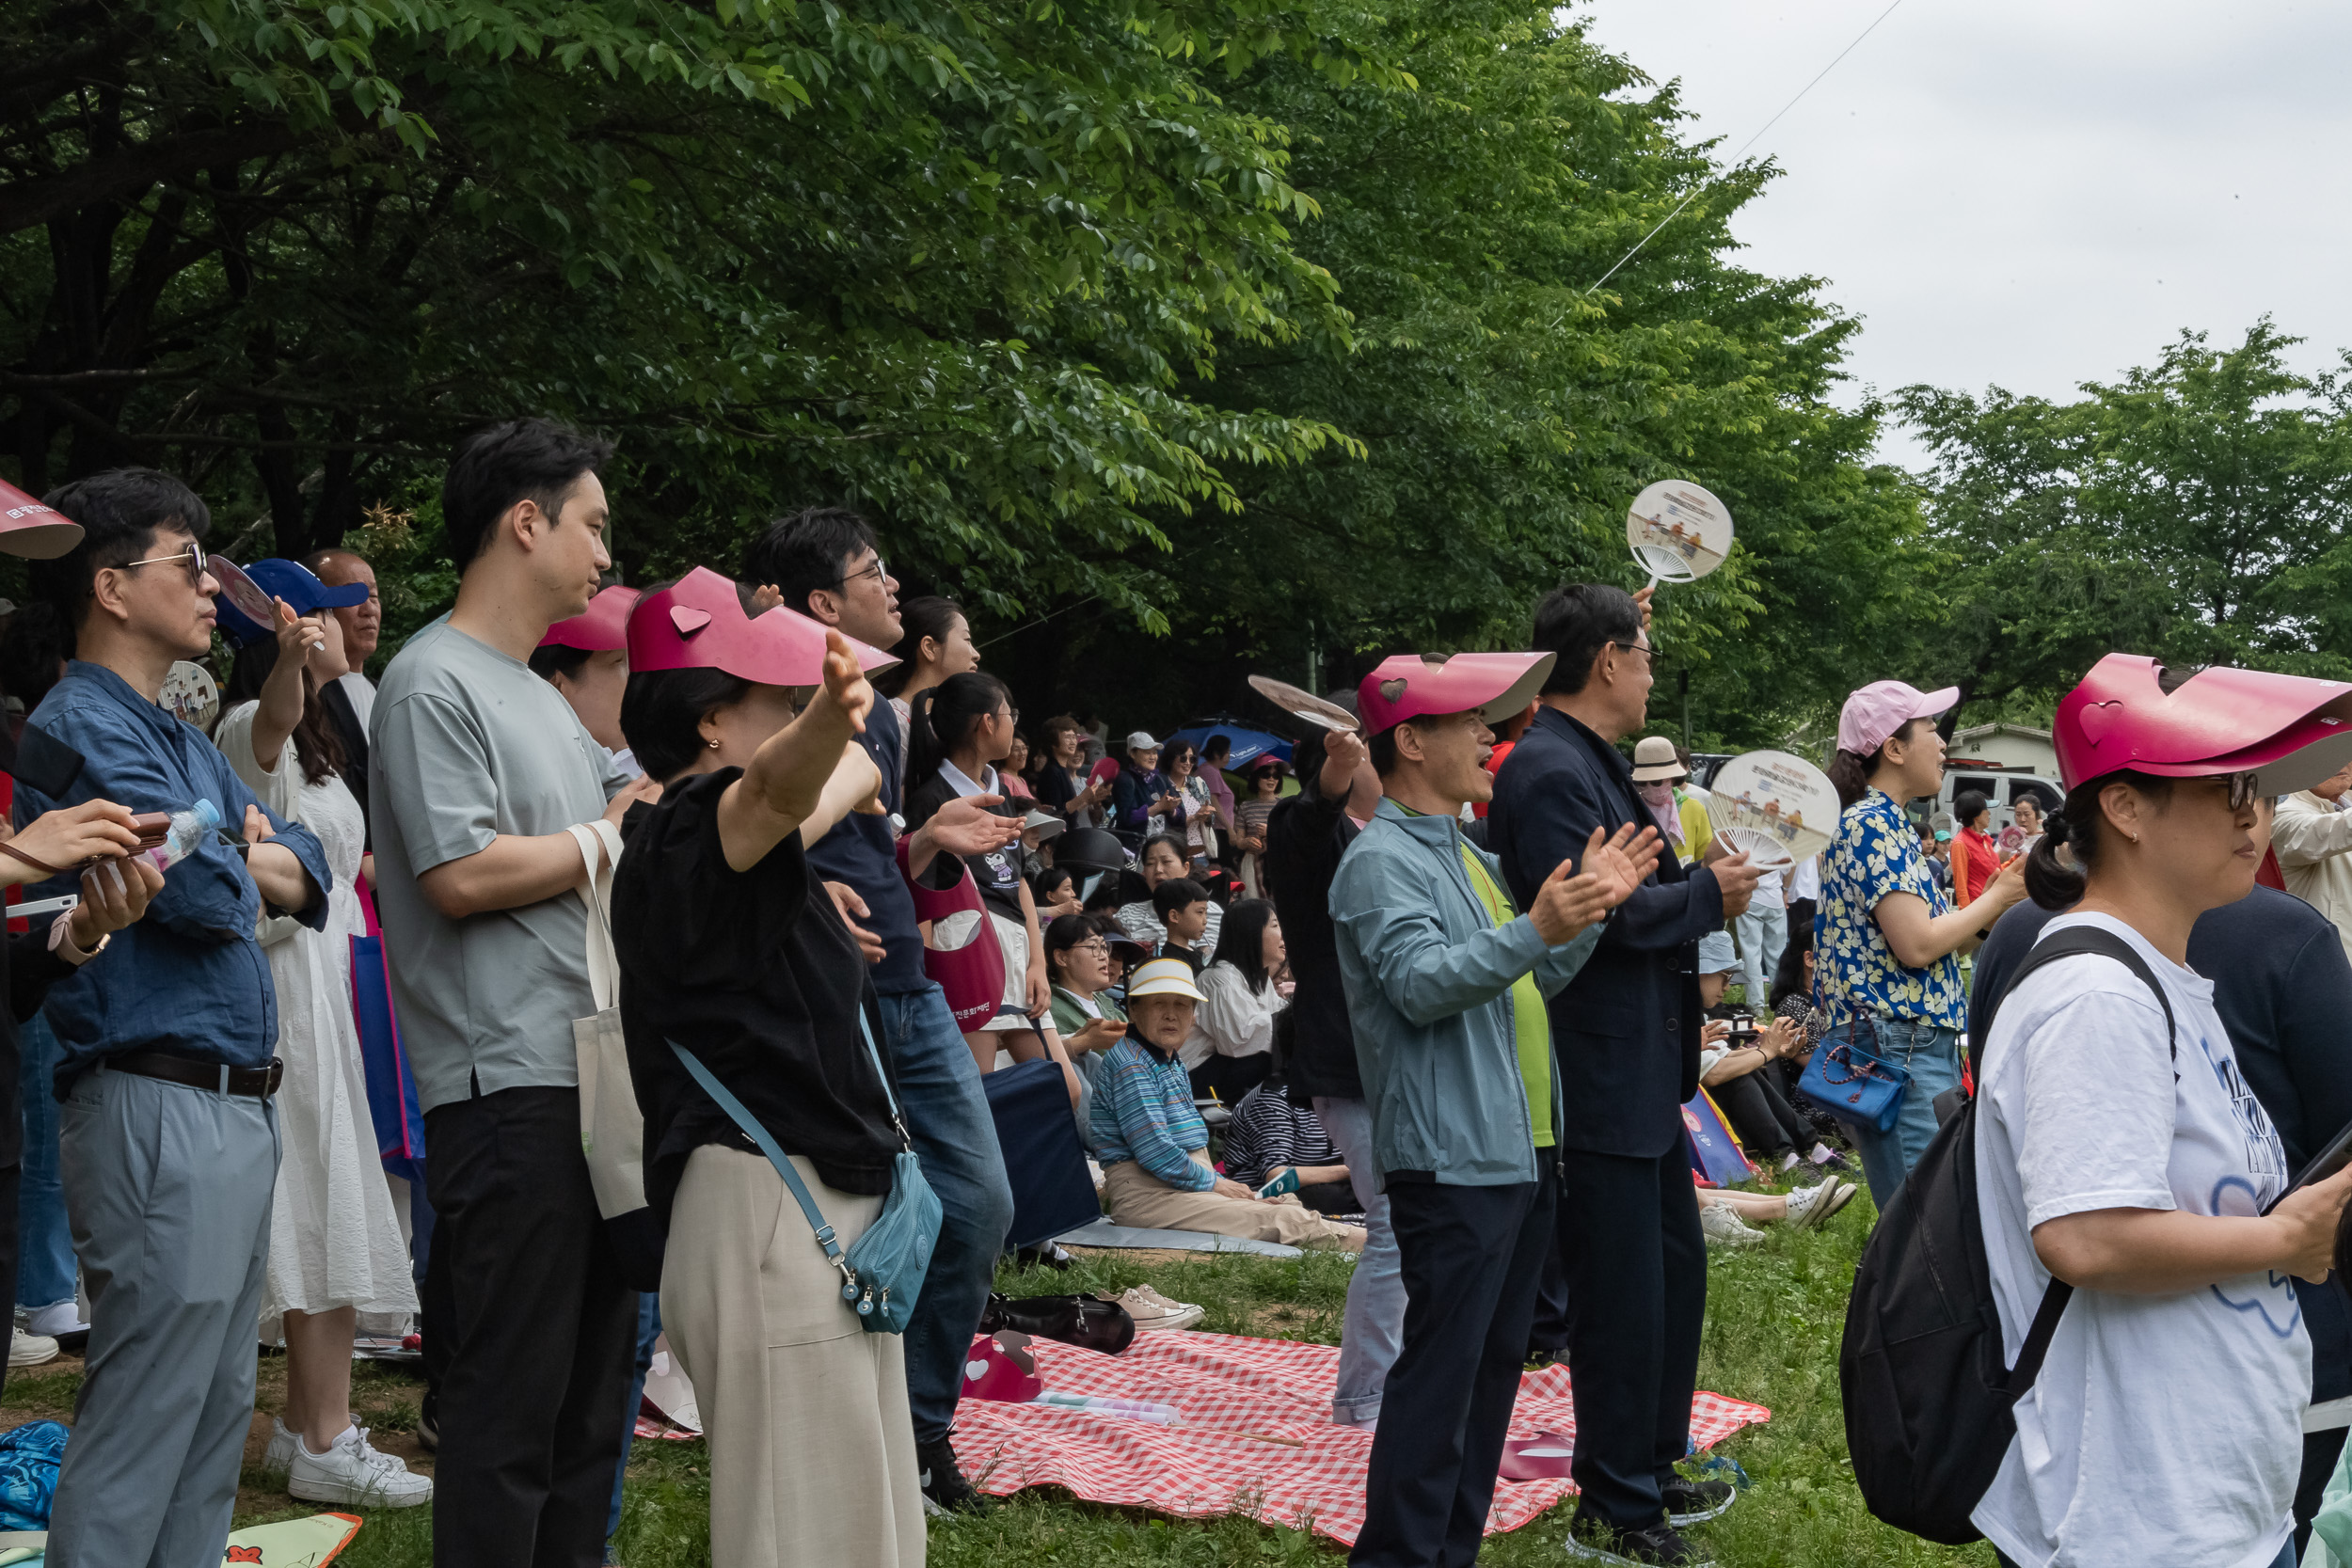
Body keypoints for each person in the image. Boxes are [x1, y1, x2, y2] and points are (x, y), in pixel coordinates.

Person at [1968, 654, 2352, 1568]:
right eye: (2218, 786)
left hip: (2197, 1489)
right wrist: (2280, 1240)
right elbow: (2086, 1236)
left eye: (2253, 787)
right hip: (2135, 1516)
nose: (2250, 812)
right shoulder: (2097, 992)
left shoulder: (2156, 974)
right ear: (2125, 808)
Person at [20, 468, 328, 1568]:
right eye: (189, 563)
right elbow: (195, 891)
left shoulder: (181, 736)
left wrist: (244, 849)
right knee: (149, 1412)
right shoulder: (74, 723)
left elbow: (312, 859)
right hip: (157, 1095)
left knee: (210, 1417)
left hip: (230, 1101)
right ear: (109, 584)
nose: (214, 588)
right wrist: (255, 859)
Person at [368, 420, 657, 1567]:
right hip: (504, 1085)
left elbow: (626, 841)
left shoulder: (542, 694)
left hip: (591, 1075)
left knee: (593, 1401)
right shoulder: (431, 677)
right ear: (522, 521)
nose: (602, 549)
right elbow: (456, 874)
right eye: (589, 521)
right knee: (509, 1405)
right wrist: (603, 834)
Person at [609, 574, 924, 1568]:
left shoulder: (731, 852)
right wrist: (835, 723)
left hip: (807, 1214)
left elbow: (802, 799)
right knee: (802, 1532)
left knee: (857, 1520)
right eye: (776, 702)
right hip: (769, 1211)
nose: (798, 718)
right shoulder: (688, 833)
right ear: (711, 723)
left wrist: (844, 755)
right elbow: (782, 788)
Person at [1329, 647, 1657, 1568]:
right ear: (1412, 740)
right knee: (1439, 1388)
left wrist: (1584, 915)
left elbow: (1530, 972)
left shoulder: (1467, 855)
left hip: (1518, 1154)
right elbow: (1422, 983)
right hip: (1451, 1162)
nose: (1489, 734)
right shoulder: (1380, 861)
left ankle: (1448, 1552)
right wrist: (1536, 925)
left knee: (1484, 1387)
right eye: (1469, 721)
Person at [740, 506, 1025, 1512]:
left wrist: (925, 840)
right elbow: (739, 839)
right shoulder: (768, 696)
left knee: (978, 1201)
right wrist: (803, 902)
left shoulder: (877, 711)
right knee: (850, 1228)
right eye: (874, 573)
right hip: (831, 1003)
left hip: (911, 990)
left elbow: (857, 856)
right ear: (823, 602)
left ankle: (916, 1432)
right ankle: (851, 1447)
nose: (895, 589)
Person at [1486, 586, 1762, 1566]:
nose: (1651, 674)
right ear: (1608, 658)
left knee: (1668, 1279)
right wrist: (1705, 894)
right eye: (1645, 655)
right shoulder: (1548, 768)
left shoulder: (1583, 759)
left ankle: (1649, 1459)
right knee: (1616, 1292)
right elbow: (1592, 916)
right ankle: (1612, 1500)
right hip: (1593, 1066)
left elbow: (1634, 893)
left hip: (1640, 1068)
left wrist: (1692, 887)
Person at [215, 560, 428, 1507]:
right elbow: (263, 728)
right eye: (330, 611)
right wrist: (288, 670)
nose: (355, 620)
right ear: (286, 630)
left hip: (333, 979)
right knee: (319, 1197)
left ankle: (307, 1424)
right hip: (288, 984)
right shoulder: (248, 727)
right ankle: (326, 1433)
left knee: (336, 1188)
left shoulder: (331, 738)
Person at [1817, 682, 2026, 1208]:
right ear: (1893, 748)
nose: (1941, 743)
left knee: (1927, 1210)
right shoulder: (1871, 824)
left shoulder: (1886, 822)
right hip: (1896, 1047)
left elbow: (1930, 943)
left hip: (1903, 1043)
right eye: (1931, 729)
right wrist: (1996, 898)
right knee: (1925, 1217)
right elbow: (1916, 945)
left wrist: (1999, 902)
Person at [1264, 724, 1394, 1428]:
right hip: (1346, 1062)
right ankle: (1365, 1396)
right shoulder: (1303, 828)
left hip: (1399, 1060)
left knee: (1416, 1226)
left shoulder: (1399, 837)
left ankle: (1394, 1380)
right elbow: (1305, 821)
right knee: (1394, 1226)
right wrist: (1332, 777)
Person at [1090, 958, 1363, 1249]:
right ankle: (1381, 1247)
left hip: (1180, 1186)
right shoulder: (1132, 1064)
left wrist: (1217, 1187)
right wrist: (1218, 1185)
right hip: (1151, 1196)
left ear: (1194, 1015)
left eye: (1182, 1005)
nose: (1171, 1015)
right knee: (1283, 1219)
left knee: (1282, 1203)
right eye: (1159, 1004)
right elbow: (1155, 1151)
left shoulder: (1166, 1058)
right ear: (1133, 1010)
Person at [903, 673, 1058, 1075]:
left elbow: (1018, 880)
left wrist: (1037, 963)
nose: (1014, 724)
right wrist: (930, 976)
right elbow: (923, 898)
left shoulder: (1000, 794)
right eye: (1011, 714)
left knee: (1062, 1088)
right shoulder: (932, 801)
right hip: (969, 942)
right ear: (987, 722)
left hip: (1016, 946)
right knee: (979, 1088)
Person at [1691, 932, 1847, 1184]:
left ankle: (1807, 1150)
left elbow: (1723, 1058)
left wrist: (1769, 1049)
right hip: (1693, 1108)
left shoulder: (1696, 1012)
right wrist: (1767, 1051)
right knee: (1738, 1075)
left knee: (1743, 1070)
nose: (1727, 987)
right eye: (1725, 975)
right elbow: (1713, 1073)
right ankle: (1791, 1155)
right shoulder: (1797, 1003)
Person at [300, 546, 382, 833]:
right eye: (353, 597)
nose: (368, 609)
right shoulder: (302, 698)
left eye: (373, 596)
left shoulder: (386, 692)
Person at [531, 583, 644, 778]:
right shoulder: (535, 777)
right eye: (619, 661)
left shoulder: (686, 763)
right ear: (557, 688)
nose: (646, 678)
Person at [1184, 896, 1283, 1105]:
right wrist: (1289, 1020)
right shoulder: (1220, 978)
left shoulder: (1259, 977)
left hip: (1226, 1068)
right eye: (1275, 925)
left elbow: (1276, 1016)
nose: (1283, 934)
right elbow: (1238, 1041)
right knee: (1270, 1060)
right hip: (1197, 1077)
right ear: (1252, 932)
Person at [1043, 911, 1130, 1144]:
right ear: (1062, 958)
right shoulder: (1049, 1006)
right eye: (1094, 948)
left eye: (1105, 947)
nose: (1105, 957)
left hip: (1125, 1106)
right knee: (1081, 1061)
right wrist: (1088, 1041)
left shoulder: (1107, 1004)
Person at [1219, 1075, 1355, 1214]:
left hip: (1334, 1177)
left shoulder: (1346, 1090)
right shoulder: (1274, 1099)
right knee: (1334, 1197)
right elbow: (1275, 1175)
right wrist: (1350, 1171)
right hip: (1271, 1191)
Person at [2274, 760, 2352, 961]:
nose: (2341, 760)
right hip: (2328, 967)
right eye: (2329, 750)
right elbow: (2329, 831)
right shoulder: (2282, 813)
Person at [878, 594, 977, 726]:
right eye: (967, 640)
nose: (976, 655)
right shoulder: (890, 721)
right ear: (929, 648)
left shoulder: (952, 725)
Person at [1118, 832, 1224, 955]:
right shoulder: (1127, 913)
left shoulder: (1208, 911)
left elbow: (1209, 958)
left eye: (1166, 862)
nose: (1158, 870)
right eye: (1150, 864)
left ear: (1185, 868)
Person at [1032, 715, 1112, 830]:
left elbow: (1071, 813)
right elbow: (1057, 815)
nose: (1073, 742)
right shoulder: (1051, 772)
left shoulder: (1061, 770)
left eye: (1074, 737)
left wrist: (1091, 801)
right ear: (1053, 744)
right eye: (1067, 737)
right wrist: (1084, 797)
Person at [1111, 731, 1184, 841]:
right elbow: (1127, 818)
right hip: (1135, 848)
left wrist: (1172, 809)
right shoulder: (1125, 779)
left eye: (1154, 752)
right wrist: (1159, 807)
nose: (1152, 757)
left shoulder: (1162, 779)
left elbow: (1182, 817)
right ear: (1132, 754)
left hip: (1162, 845)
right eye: (1147, 752)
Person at [1232, 756, 1283, 897]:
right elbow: (1239, 841)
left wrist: (1270, 832)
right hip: (1252, 861)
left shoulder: (1284, 805)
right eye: (1266, 775)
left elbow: (1294, 835)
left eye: (1276, 776)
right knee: (1252, 903)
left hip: (1279, 861)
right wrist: (1247, 842)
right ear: (1256, 778)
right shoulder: (1246, 806)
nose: (1272, 779)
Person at [1165, 739, 1217, 867]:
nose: (1188, 763)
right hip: (1172, 853)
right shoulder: (1162, 785)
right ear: (1171, 759)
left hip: (1199, 855)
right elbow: (1164, 824)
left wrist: (1207, 815)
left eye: (1192, 759)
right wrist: (1195, 817)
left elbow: (1211, 821)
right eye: (1183, 758)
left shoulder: (1198, 784)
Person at [1151, 877, 1211, 975]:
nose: (1205, 921)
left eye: (1206, 913)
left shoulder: (1197, 953)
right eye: (1200, 912)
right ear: (1174, 916)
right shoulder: (1173, 961)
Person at [1951, 788, 2001, 904]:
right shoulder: (1960, 843)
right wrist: (1967, 915)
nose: (1989, 813)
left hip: (1992, 904)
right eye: (1986, 809)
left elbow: (1996, 870)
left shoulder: (1985, 840)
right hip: (1977, 908)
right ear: (1976, 815)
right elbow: (1960, 886)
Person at [1200, 734, 1238, 849]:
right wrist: (1230, 829)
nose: (1229, 756)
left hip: (1221, 829)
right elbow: (1214, 802)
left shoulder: (1213, 771)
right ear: (1217, 754)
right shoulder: (1209, 771)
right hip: (1218, 830)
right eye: (1227, 752)